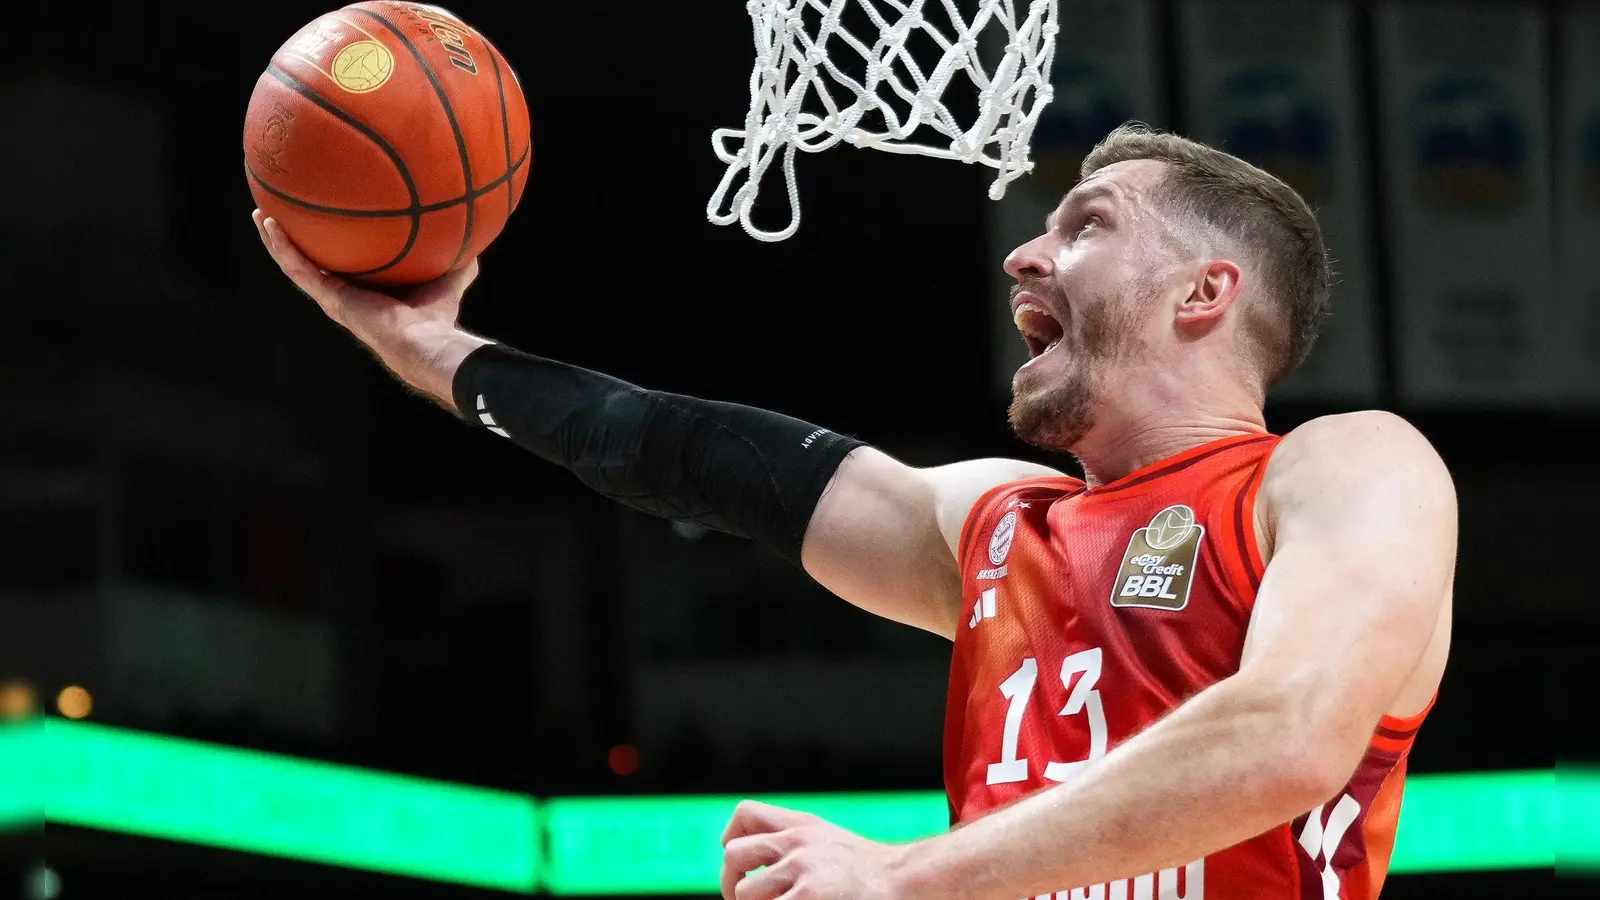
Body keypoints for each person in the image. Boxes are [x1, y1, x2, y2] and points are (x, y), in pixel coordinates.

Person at [253, 122, 1455, 900]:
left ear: (1207, 291)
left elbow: (1285, 739)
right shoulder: (994, 525)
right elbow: (684, 452)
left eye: (1085, 227)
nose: (1022, 258)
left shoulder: (1342, 470)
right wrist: (428, 345)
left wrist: (902, 876)